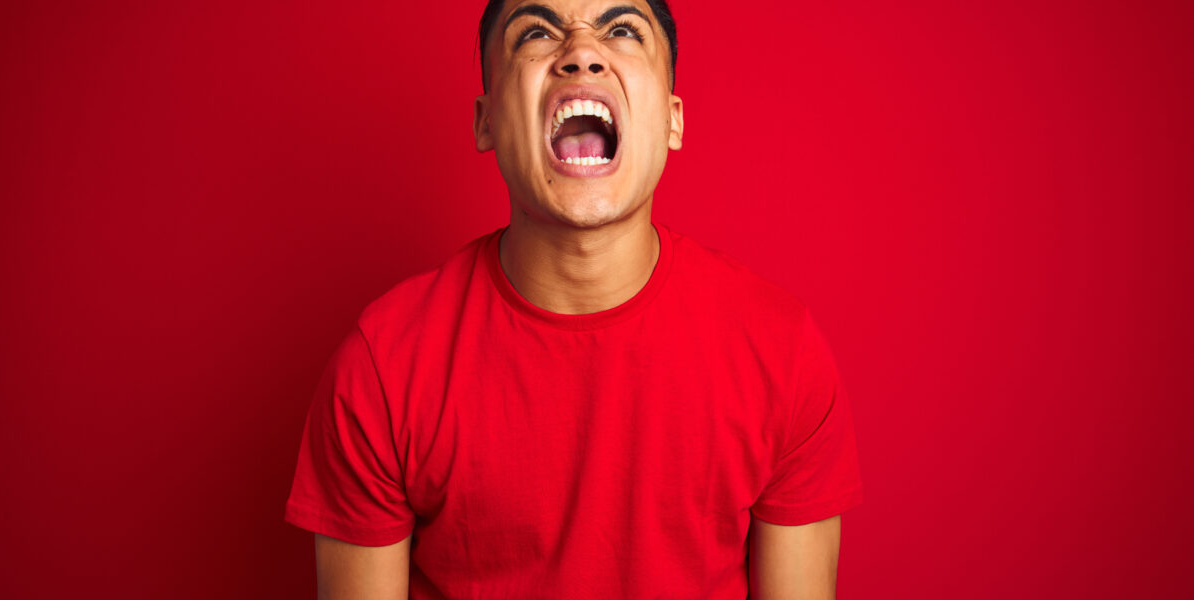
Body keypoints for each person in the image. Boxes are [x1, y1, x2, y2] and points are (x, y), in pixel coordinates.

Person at [284, 0, 865, 597]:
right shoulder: (383, 364)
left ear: (673, 119)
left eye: (621, 30)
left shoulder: (782, 350)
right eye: (536, 32)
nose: (582, 54)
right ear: (486, 122)